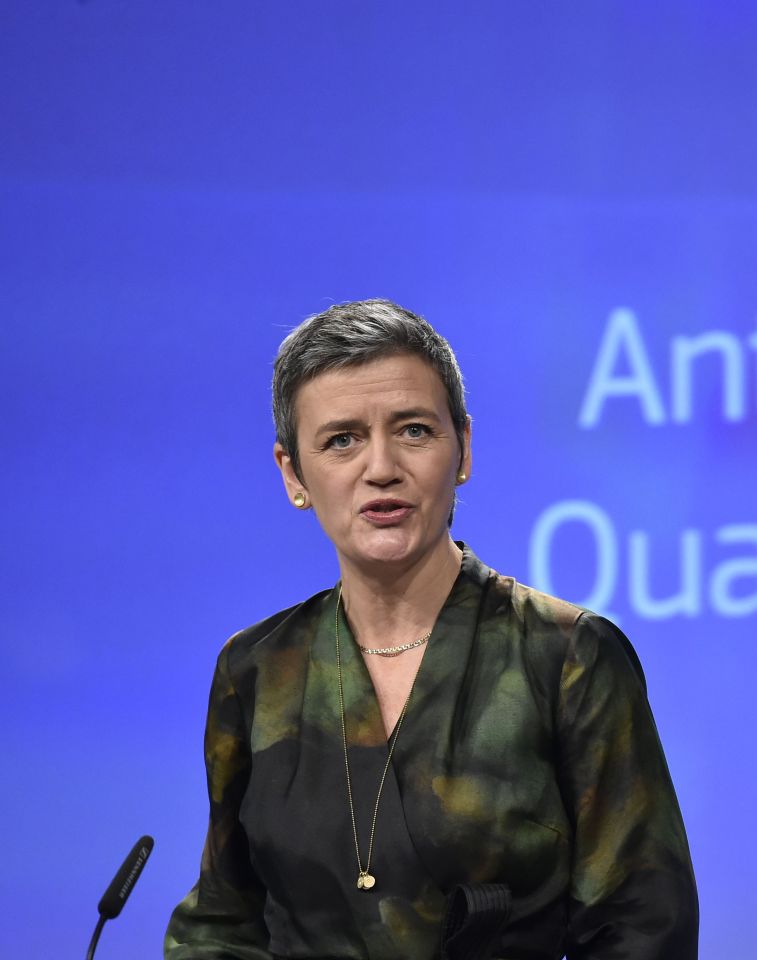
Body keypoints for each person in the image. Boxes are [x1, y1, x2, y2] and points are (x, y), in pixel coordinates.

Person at [164, 299, 698, 960]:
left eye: (414, 430)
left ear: (464, 448)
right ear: (293, 474)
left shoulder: (566, 657)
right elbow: (222, 921)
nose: (381, 467)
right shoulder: (257, 670)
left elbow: (641, 930)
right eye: (342, 439)